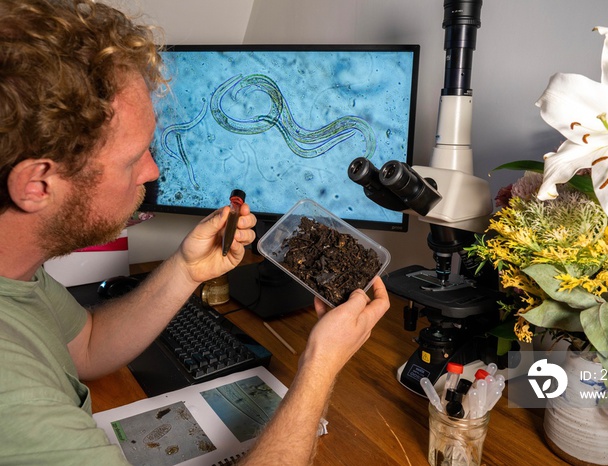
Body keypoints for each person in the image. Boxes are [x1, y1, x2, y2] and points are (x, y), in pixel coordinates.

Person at [0, 1, 391, 464]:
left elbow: (84, 346)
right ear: (37, 184)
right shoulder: (14, 398)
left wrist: (186, 269)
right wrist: (320, 364)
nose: (152, 171)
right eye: (133, 159)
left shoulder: (17, 275)